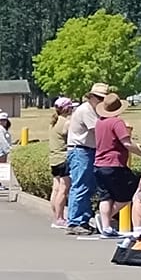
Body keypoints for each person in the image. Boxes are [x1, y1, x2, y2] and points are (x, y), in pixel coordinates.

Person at [64, 82, 109, 233]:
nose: (101, 101)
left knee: (87, 186)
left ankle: (82, 220)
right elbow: (98, 130)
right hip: (81, 151)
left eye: (103, 98)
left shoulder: (94, 110)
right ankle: (75, 222)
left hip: (87, 150)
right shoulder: (86, 110)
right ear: (91, 97)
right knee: (81, 186)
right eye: (98, 98)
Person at [90, 93, 135, 237]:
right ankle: (106, 218)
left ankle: (106, 227)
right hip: (114, 164)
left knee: (106, 196)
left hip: (99, 164)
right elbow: (127, 143)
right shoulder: (117, 122)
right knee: (129, 193)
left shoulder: (99, 122)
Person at [45, 97, 75, 227]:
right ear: (66, 109)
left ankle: (56, 216)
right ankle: (60, 218)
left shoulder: (53, 122)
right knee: (63, 189)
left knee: (56, 189)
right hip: (63, 158)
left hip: (54, 159)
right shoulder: (66, 123)